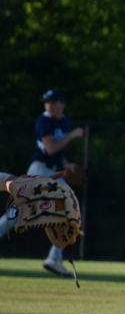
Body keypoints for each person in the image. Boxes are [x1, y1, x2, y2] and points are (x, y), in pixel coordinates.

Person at [0, 89, 83, 277]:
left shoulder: (64, 122)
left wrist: (67, 165)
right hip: (40, 171)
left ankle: (55, 258)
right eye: (47, 102)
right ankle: (54, 258)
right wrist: (72, 135)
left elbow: (57, 155)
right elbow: (51, 148)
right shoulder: (44, 120)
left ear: (63, 104)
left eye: (54, 102)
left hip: (52, 172)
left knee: (20, 212)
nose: (50, 105)